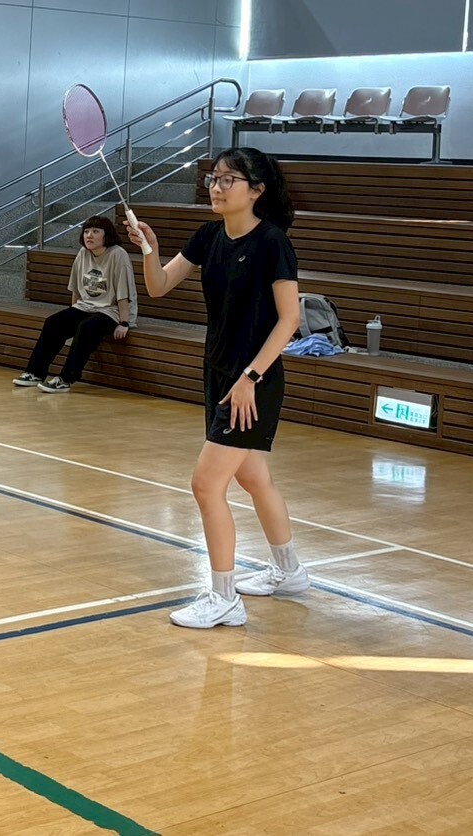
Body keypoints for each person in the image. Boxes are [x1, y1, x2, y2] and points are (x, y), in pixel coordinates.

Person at [127, 147, 309, 629]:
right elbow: (159, 286)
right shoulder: (208, 236)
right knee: (254, 478)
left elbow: (289, 319)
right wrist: (149, 250)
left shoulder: (272, 243)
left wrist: (251, 377)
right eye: (213, 178)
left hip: (253, 381)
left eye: (229, 179)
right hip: (218, 372)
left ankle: (224, 597)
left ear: (257, 190)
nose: (216, 186)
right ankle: (289, 571)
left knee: (206, 484)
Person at [12, 215, 137, 394]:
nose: (89, 235)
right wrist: (71, 317)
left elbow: (124, 292)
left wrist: (124, 323)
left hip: (112, 311)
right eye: (86, 231)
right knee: (53, 322)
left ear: (106, 235)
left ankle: (65, 379)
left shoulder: (118, 254)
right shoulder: (83, 253)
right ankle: (35, 373)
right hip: (85, 306)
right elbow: (76, 289)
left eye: (95, 231)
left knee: (86, 328)